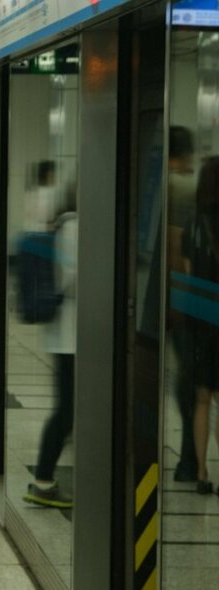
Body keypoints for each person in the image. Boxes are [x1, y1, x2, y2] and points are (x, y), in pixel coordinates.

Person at [24, 186, 78, 508]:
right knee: (66, 411)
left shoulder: (67, 225)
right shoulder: (73, 227)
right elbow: (70, 277)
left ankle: (45, 477)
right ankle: (43, 479)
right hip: (72, 337)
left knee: (68, 410)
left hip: (70, 335)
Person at [182, 156, 219, 494]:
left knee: (202, 399)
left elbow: (190, 274)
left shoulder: (193, 224)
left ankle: (203, 473)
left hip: (202, 322)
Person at [167, 126, 198, 482]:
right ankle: (190, 456)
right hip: (187, 298)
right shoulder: (185, 190)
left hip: (159, 298)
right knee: (190, 378)